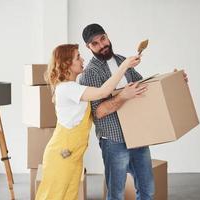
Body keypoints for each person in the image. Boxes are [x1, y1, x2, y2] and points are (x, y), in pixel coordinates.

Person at [35, 44, 146, 200]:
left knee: (69, 196)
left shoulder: (75, 87)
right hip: (62, 155)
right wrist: (124, 66)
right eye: (77, 57)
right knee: (54, 196)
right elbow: (103, 91)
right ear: (67, 63)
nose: (82, 59)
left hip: (74, 155)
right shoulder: (67, 88)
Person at [79, 24, 155, 200]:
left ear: (107, 36)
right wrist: (123, 97)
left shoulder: (122, 61)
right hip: (114, 140)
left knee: (147, 191)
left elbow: (144, 88)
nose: (102, 45)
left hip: (137, 135)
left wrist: (172, 80)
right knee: (116, 194)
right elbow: (98, 112)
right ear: (88, 47)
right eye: (95, 43)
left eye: (103, 39)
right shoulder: (90, 73)